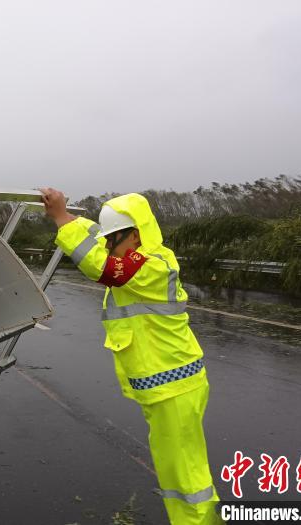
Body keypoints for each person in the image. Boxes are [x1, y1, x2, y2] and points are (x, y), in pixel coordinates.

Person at [39, 188, 224, 525]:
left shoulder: (148, 265)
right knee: (183, 472)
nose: (108, 245)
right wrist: (79, 221)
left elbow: (106, 269)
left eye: (114, 239)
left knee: (185, 481)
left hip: (175, 388)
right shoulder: (147, 253)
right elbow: (99, 238)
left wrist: (62, 220)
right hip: (172, 386)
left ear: (135, 235)